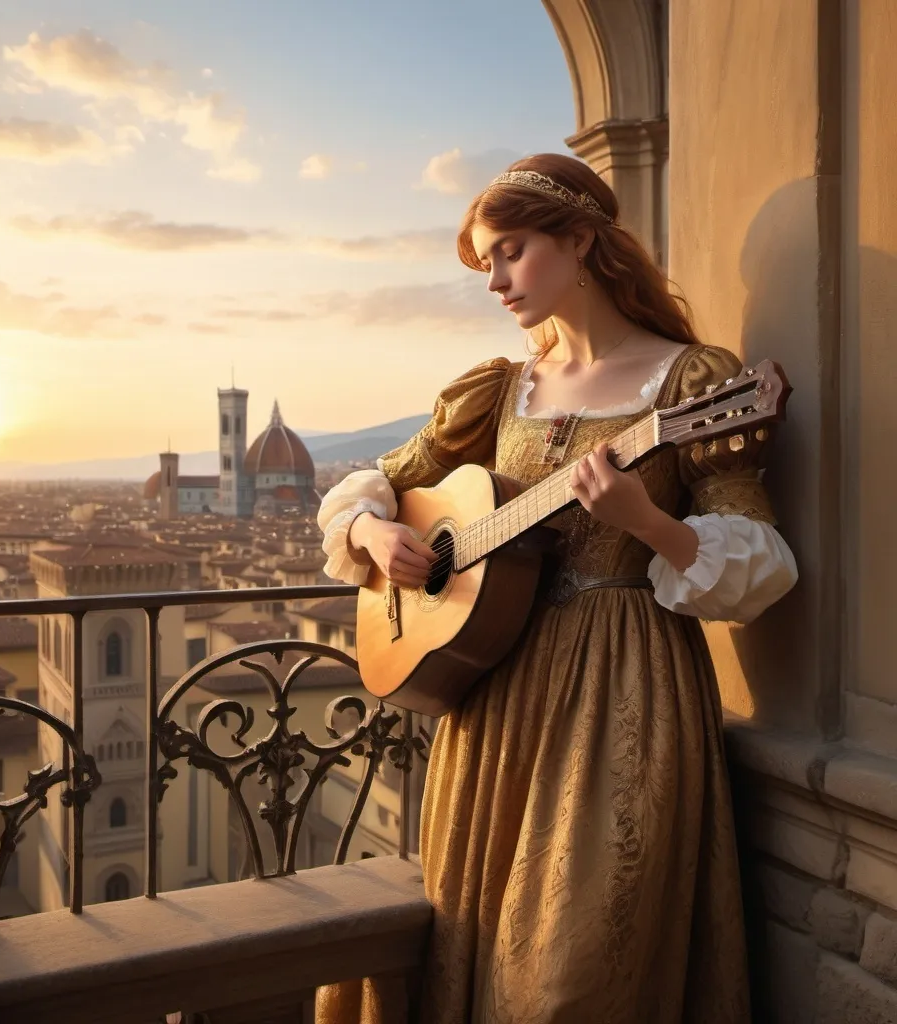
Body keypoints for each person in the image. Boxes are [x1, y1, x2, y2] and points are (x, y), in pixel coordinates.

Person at [314, 154, 798, 1024]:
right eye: (484, 263)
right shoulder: (500, 391)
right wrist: (372, 532)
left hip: (623, 693)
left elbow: (759, 557)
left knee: (577, 973)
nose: (495, 281)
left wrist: (646, 520)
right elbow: (379, 483)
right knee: (477, 938)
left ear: (581, 241)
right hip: (491, 692)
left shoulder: (693, 384)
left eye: (510, 252)